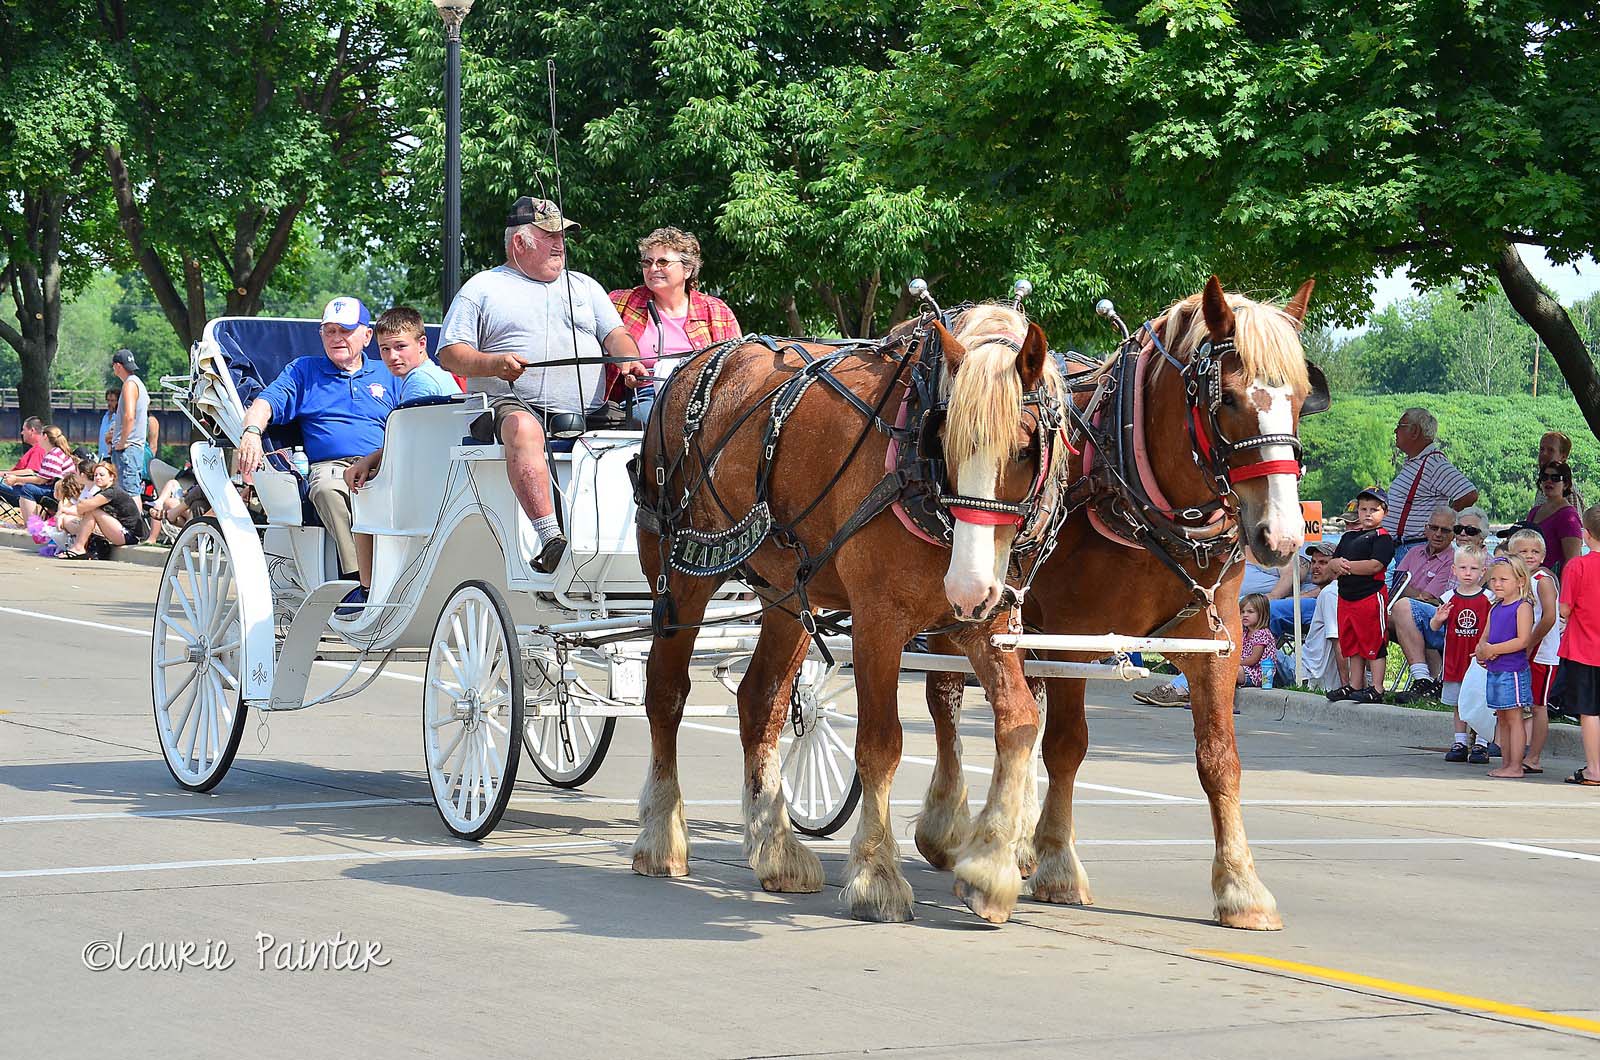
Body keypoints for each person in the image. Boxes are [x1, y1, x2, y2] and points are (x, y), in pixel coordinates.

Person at [437, 195, 649, 573]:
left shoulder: (585, 286)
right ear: (520, 242)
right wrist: (494, 363)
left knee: (652, 433)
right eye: (549, 235)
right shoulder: (483, 287)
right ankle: (550, 536)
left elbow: (615, 334)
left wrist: (628, 359)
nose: (560, 244)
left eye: (562, 236)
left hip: (591, 411)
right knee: (523, 427)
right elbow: (450, 353)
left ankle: (655, 533)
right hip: (509, 405)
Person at [236, 297, 396, 612]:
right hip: (332, 466)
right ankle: (360, 581)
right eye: (329, 331)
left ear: (366, 336)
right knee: (327, 488)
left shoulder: (389, 371)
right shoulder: (305, 370)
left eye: (345, 330)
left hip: (386, 460)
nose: (336, 338)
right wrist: (252, 432)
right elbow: (265, 402)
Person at [342, 306, 462, 595]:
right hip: (446, 477)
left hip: (425, 487)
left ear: (422, 344)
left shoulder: (418, 383)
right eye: (384, 349)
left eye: (400, 347)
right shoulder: (438, 376)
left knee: (362, 496)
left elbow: (406, 448)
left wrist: (366, 467)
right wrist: (370, 459)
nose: (392, 356)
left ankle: (367, 589)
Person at [607, 226, 742, 427]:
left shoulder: (715, 311)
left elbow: (737, 367)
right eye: (647, 262)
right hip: (642, 395)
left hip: (700, 398)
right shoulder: (620, 303)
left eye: (663, 262)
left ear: (687, 269)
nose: (653, 269)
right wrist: (628, 372)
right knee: (649, 418)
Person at [1327, 486, 1395, 704]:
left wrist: (1346, 567)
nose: (1367, 514)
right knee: (1352, 643)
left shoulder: (1382, 538)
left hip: (1369, 596)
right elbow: (1333, 561)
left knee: (1373, 642)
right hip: (1346, 596)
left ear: (1384, 512)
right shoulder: (1348, 537)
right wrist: (1335, 563)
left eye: (1374, 509)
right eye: (1363, 509)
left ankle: (1377, 687)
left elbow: (1375, 565)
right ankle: (1355, 685)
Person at [1383, 407, 1479, 563]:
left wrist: (1447, 521)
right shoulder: (1418, 462)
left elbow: (1469, 494)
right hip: (1403, 549)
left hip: (1412, 549)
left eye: (1400, 426)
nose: (1395, 431)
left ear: (1414, 431)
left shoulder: (1433, 464)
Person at [1430, 544, 1494, 762]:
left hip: (1480, 662)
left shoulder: (1489, 598)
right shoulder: (1448, 597)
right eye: (1463, 568)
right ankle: (1460, 741)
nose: (1468, 573)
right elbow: (1434, 627)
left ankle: (1481, 743)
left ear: (1483, 571)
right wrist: (1438, 618)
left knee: (1481, 701)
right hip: (1455, 659)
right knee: (1459, 703)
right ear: (1454, 570)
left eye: (1474, 569)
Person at [1389, 508, 1459, 702]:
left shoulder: (1453, 560)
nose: (1438, 534)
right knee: (1369, 615)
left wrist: (1406, 588)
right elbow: (1396, 583)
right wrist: (1409, 590)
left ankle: (1422, 679)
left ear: (1453, 534)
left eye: (1445, 530)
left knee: (1403, 607)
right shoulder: (1413, 552)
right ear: (1425, 529)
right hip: (1403, 613)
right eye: (1434, 528)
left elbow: (1427, 598)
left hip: (1434, 618)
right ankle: (1367, 682)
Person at [1475, 556, 1536, 778]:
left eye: (1503, 579)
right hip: (1495, 669)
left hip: (1513, 671)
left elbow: (1523, 640)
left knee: (1514, 718)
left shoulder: (1523, 607)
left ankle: (1515, 765)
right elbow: (1485, 636)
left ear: (1520, 581)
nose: (1497, 584)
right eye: (1493, 579)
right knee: (1502, 718)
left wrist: (1494, 649)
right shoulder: (1496, 607)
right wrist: (1481, 650)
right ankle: (1507, 762)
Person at [1507, 530, 1561, 773]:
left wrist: (1529, 643)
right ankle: (1516, 751)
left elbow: (1549, 617)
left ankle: (1534, 756)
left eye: (1535, 551)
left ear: (1543, 555)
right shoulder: (1518, 582)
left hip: (1542, 653)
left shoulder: (1543, 580)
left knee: (1539, 705)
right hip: (1524, 652)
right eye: (1523, 551)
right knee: (1521, 703)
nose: (1529, 556)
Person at [1556, 503, 1600, 786]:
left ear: (1585, 534)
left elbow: (1564, 610)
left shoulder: (1578, 565)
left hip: (1584, 649)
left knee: (1590, 711)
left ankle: (1595, 769)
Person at [55, 461, 144, 559]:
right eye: (95, 475)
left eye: (102, 475)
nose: (97, 477)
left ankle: (78, 548)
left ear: (112, 477)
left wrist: (78, 507)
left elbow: (82, 507)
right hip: (117, 530)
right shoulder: (103, 492)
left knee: (92, 511)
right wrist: (63, 514)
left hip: (129, 536)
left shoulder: (111, 492)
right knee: (73, 520)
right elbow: (80, 509)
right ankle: (81, 546)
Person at [1, 418, 69, 521]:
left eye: (23, 429)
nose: (21, 432)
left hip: (59, 493)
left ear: (45, 437)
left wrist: (16, 479)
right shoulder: (54, 452)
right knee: (28, 487)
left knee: (28, 489)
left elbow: (39, 478)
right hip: (56, 489)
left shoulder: (50, 454)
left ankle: (32, 527)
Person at [1525, 460, 1583, 574]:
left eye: (1555, 478)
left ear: (1565, 484)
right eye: (1544, 477)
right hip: (1531, 580)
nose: (1549, 481)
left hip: (1555, 583)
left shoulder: (1568, 516)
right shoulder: (1534, 512)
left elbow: (1572, 560)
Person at [1268, 543, 1334, 638]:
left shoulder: (1332, 592)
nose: (1315, 566)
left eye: (1323, 562)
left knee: (1265, 609)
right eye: (1313, 562)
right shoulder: (1325, 592)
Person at [109, 348, 150, 497]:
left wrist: (122, 441)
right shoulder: (138, 384)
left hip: (128, 449)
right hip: (133, 448)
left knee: (129, 494)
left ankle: (134, 521)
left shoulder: (129, 384)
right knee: (128, 492)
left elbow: (129, 416)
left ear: (118, 366)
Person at [1236, 594, 1277, 688]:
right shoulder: (1245, 632)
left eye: (1250, 612)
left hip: (1258, 675)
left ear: (1262, 613)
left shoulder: (1262, 634)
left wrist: (1234, 663)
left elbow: (1253, 660)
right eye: (1242, 612)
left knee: (1233, 670)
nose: (1245, 615)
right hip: (1245, 668)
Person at [97, 387, 119, 458]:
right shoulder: (105, 416)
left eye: (112, 400)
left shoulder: (120, 418)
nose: (109, 403)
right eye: (108, 400)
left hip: (114, 457)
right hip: (102, 456)